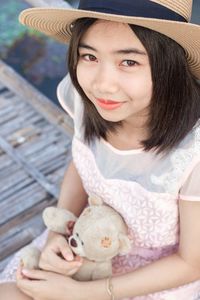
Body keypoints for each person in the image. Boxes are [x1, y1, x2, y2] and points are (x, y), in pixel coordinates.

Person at [1, 0, 200, 299]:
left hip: (151, 279)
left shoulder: (192, 151)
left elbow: (190, 262)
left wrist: (81, 293)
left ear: (169, 64)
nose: (103, 85)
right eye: (89, 56)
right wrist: (60, 228)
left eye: (129, 62)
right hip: (81, 241)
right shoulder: (88, 101)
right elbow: (83, 163)